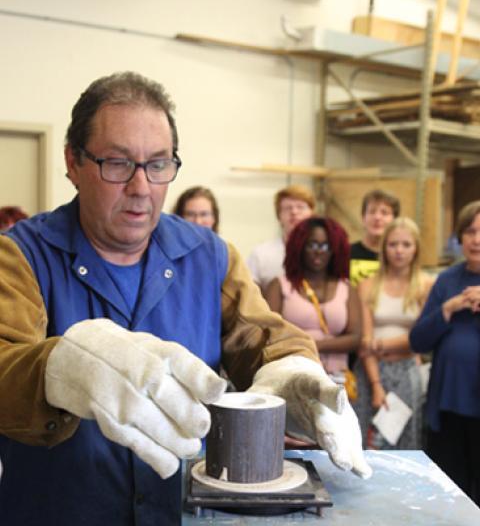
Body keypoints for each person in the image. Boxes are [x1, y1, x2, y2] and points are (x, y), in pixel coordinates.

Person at [0, 71, 370, 525]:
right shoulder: (21, 255)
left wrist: (293, 369)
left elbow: (264, 336)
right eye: (117, 163)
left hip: (177, 513)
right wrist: (57, 370)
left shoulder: (208, 255)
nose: (141, 188)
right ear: (73, 162)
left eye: (158, 164)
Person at [410, 201, 480, 506]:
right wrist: (448, 309)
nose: (477, 239)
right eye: (470, 231)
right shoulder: (447, 281)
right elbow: (418, 341)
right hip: (448, 406)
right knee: (450, 496)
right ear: (460, 238)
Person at [353, 217, 434, 449]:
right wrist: (376, 384)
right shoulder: (367, 285)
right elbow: (364, 341)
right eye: (393, 244)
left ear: (416, 248)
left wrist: (380, 344)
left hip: (407, 372)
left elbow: (421, 339)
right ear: (384, 247)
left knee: (406, 444)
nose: (399, 251)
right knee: (367, 443)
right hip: (370, 372)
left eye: (406, 245)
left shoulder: (426, 285)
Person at [265, 216, 361, 383]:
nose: (319, 251)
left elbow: (355, 339)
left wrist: (312, 345)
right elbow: (269, 334)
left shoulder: (346, 288)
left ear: (335, 250)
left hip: (336, 378)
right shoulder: (280, 285)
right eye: (312, 245)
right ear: (299, 247)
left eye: (325, 246)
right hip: (291, 375)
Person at [247, 184, 315, 294]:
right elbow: (250, 297)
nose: (294, 212)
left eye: (300, 207)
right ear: (279, 216)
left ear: (311, 213)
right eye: (288, 208)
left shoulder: (324, 254)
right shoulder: (261, 254)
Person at [350, 189, 400, 287]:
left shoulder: (399, 256)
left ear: (395, 220)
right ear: (363, 218)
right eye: (372, 212)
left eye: (384, 213)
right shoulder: (346, 254)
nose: (377, 217)